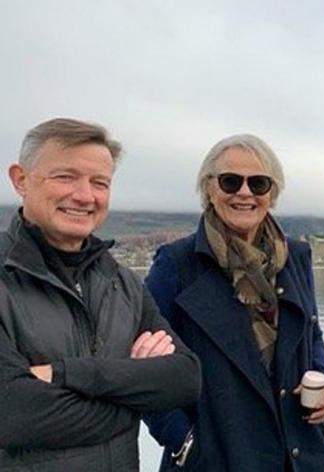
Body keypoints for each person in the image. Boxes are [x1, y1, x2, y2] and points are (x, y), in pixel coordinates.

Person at [0, 118, 201, 470]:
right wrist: (135, 396)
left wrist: (67, 375)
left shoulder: (120, 282)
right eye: (65, 177)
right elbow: (12, 412)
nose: (84, 195)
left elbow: (185, 378)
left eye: (100, 183)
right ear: (20, 179)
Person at [142, 134, 324, 471]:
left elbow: (312, 335)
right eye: (230, 181)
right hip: (217, 459)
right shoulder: (177, 265)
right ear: (210, 189)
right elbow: (142, 368)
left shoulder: (296, 258)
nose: (244, 193)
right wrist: (184, 442)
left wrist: (322, 380)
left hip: (300, 455)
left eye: (258, 183)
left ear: (271, 194)